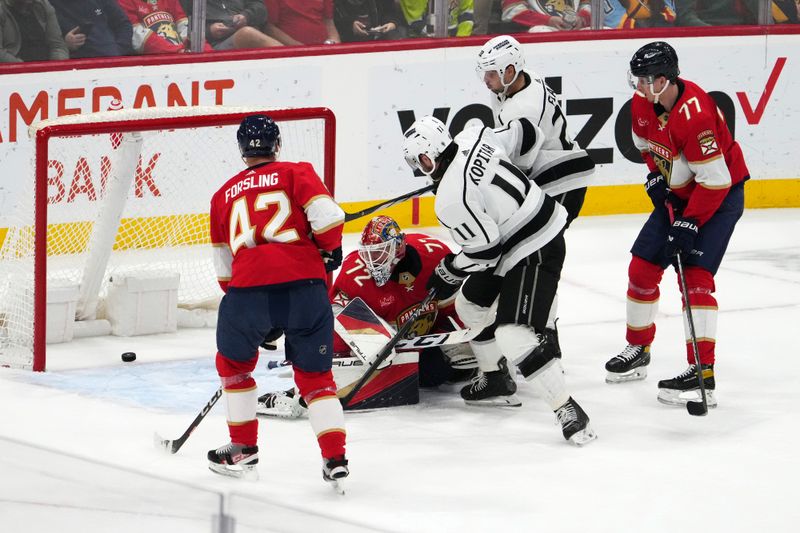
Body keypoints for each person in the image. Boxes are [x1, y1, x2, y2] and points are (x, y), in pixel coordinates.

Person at [401, 115, 597, 445]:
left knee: (513, 336)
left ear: (427, 157)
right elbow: (527, 132)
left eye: (417, 162)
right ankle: (496, 380)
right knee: (469, 305)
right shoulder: (473, 135)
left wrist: (449, 270)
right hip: (519, 234)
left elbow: (484, 252)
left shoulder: (451, 199)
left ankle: (569, 410)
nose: (419, 169)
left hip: (536, 245)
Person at [604, 42, 748, 409]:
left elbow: (715, 181)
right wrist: (655, 176)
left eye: (643, 79)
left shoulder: (695, 115)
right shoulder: (642, 103)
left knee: (696, 280)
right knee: (641, 269)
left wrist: (690, 223)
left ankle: (703, 372)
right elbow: (646, 147)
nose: (637, 85)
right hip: (680, 195)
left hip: (718, 198)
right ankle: (638, 349)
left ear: (663, 79)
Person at [207, 114, 348, 487]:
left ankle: (243, 448)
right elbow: (330, 220)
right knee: (317, 379)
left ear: (241, 150)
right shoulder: (295, 172)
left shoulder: (222, 195)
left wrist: (259, 317)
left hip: (248, 293)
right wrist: (329, 251)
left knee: (235, 368)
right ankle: (335, 458)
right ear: (278, 144)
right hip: (306, 288)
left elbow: (224, 270)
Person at [257, 215, 479, 418]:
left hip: (418, 343)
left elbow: (451, 305)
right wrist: (372, 339)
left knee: (445, 371)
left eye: (380, 252)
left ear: (399, 247)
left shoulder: (433, 253)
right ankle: (307, 380)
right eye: (369, 253)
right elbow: (332, 320)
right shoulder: (355, 275)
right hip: (382, 353)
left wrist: (457, 332)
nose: (372, 260)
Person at [475, 34, 595, 364]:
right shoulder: (513, 87)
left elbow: (520, 165)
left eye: (492, 72)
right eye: (483, 72)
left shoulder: (524, 108)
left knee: (539, 251)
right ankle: (544, 328)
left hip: (562, 181)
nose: (486, 80)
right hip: (551, 174)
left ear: (511, 70)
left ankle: (546, 333)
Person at [118, 0, 211, 54]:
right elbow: (137, 37)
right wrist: (178, 51)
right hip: (150, 64)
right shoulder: (123, 2)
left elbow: (184, 25)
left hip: (181, 55)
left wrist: (206, 50)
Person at [184, 0, 282, 50]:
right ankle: (293, 64)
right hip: (212, 46)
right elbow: (183, 28)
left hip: (250, 31)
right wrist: (209, 31)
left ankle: (293, 61)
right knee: (246, 34)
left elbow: (262, 10)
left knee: (255, 31)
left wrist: (246, 16)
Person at [49, 0, 133, 58]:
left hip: (114, 62)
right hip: (76, 68)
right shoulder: (48, 5)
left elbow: (124, 25)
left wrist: (119, 50)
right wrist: (65, 45)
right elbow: (42, 46)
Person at [0, 0, 68, 62]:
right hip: (16, 69)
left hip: (48, 67)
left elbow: (58, 45)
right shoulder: (2, 9)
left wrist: (56, 67)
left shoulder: (43, 5)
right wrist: (26, 69)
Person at [263, 0, 341, 45]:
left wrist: (333, 44)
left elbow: (329, 22)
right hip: (290, 55)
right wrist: (300, 49)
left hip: (325, 54)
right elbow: (269, 28)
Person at [333, 0, 406, 42]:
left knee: (398, 33)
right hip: (348, 44)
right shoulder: (335, 3)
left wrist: (391, 23)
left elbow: (390, 12)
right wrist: (350, 25)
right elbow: (332, 22)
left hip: (380, 40)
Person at [501, 0, 591, 31]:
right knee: (539, 31)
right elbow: (512, 10)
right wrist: (547, 20)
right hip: (539, 30)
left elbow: (590, 5)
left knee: (602, 30)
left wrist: (582, 18)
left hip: (575, 29)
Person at [400, 0, 474, 37]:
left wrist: (460, 41)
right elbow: (416, 22)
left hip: (454, 36)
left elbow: (466, 15)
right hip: (421, 39)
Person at [674, 0, 758, 26]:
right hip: (703, 38)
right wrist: (714, 32)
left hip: (742, 37)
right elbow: (685, 17)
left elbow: (760, 16)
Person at [602, 0, 676, 28]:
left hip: (657, 37)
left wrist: (659, 20)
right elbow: (618, 22)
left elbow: (670, 14)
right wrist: (641, 25)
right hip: (621, 43)